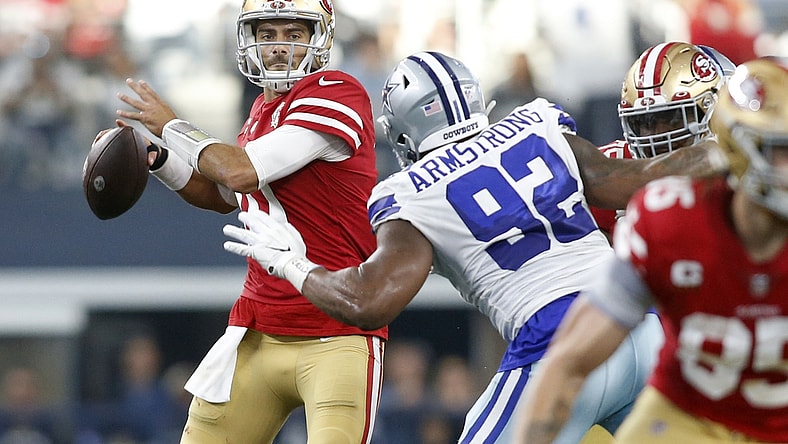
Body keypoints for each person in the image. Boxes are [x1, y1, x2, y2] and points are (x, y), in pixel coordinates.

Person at [221, 51, 730, 443]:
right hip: (641, 329)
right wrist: (732, 144)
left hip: (559, 340)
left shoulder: (408, 191)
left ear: (401, 133)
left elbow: (366, 302)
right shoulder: (536, 123)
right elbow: (637, 179)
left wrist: (293, 264)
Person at [111, 0, 384, 442]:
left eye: (293, 34)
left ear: (321, 39)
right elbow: (222, 193)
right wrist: (158, 159)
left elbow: (240, 170)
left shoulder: (338, 91)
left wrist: (171, 125)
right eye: (267, 33)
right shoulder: (260, 112)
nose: (278, 47)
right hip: (257, 328)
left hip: (334, 331)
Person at [515, 57, 788, 443]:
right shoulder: (670, 220)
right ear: (739, 147)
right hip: (689, 418)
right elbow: (571, 362)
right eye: (783, 150)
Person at [590, 41, 733, 240]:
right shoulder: (612, 168)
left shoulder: (743, 172)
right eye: (645, 122)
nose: (657, 135)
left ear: (715, 112)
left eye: (672, 119)